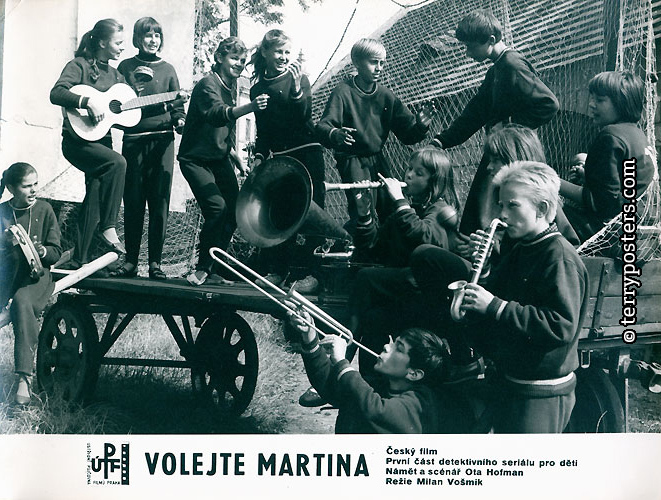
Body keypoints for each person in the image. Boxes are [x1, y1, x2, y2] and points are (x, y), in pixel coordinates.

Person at [414, 161, 589, 433]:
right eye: (501, 205)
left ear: (542, 209)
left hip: (540, 392)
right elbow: (500, 294)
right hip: (513, 382)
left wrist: (495, 306)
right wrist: (483, 273)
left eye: (512, 206)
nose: (502, 214)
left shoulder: (558, 256)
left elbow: (560, 325)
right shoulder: (523, 247)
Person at [298, 147, 459, 406]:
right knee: (373, 317)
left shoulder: (441, 210)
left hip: (428, 295)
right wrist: (364, 214)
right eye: (409, 169)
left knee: (366, 278)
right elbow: (374, 248)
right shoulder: (407, 209)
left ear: (435, 181)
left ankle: (339, 362)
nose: (409, 175)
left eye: (419, 173)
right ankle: (365, 386)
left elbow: (425, 238)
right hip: (403, 295)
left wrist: (400, 202)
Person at [431, 10, 559, 237]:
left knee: (499, 212)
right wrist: (442, 140)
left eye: (471, 47)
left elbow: (548, 104)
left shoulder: (512, 65)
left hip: (514, 155)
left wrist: (509, 125)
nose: (468, 53)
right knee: (479, 211)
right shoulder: (496, 70)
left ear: (491, 40)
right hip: (499, 152)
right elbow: (475, 113)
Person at [178, 36, 269, 286]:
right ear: (219, 58)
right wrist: (251, 107)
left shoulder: (230, 87)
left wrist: (235, 156)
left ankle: (213, 269)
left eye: (242, 60)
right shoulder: (207, 84)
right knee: (217, 209)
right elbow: (217, 115)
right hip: (195, 159)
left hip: (219, 158)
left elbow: (223, 131)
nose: (239, 63)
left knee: (235, 211)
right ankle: (201, 269)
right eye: (234, 58)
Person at [288, 304, 463, 433]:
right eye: (393, 342)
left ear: (414, 374)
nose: (387, 346)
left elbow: (377, 410)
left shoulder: (421, 403)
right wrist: (310, 337)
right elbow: (330, 386)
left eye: (398, 348)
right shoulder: (381, 385)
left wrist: (342, 362)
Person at [316, 38, 430, 235]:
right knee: (363, 208)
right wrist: (336, 134)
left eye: (382, 63)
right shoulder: (343, 92)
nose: (379, 68)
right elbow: (323, 126)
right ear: (357, 62)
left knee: (391, 205)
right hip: (352, 159)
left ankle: (389, 250)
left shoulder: (385, 96)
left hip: (377, 159)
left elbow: (407, 134)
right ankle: (359, 248)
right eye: (373, 62)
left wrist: (420, 126)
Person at [248, 29, 326, 293]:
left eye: (287, 52)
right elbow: (264, 132)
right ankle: (278, 272)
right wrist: (259, 156)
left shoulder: (299, 79)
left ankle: (311, 274)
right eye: (279, 52)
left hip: (307, 154)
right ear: (265, 52)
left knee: (312, 214)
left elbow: (304, 117)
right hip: (282, 159)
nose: (284, 57)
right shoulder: (257, 89)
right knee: (281, 214)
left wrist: (296, 90)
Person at [50, 19, 127, 269]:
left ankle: (80, 259)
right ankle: (108, 226)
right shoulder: (79, 65)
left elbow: (127, 112)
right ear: (102, 42)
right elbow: (56, 93)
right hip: (77, 142)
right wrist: (87, 102)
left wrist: (167, 104)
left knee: (96, 189)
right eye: (118, 42)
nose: (123, 47)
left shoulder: (117, 76)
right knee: (118, 163)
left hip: (102, 141)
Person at [113, 17, 187, 280]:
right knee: (133, 200)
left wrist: (179, 119)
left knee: (159, 201)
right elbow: (117, 102)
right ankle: (131, 261)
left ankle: (155, 263)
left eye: (157, 35)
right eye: (148, 35)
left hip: (163, 141)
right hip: (133, 141)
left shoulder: (168, 69)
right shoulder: (125, 67)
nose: (153, 40)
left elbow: (178, 105)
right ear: (138, 39)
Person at [560, 71, 655, 243]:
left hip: (610, 232)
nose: (591, 105)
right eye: (592, 99)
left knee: (548, 209)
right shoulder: (637, 134)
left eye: (600, 100)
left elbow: (603, 205)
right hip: (635, 225)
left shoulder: (610, 136)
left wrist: (553, 182)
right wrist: (587, 176)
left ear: (622, 103)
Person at [0, 163, 62, 405]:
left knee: (22, 303)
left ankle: (24, 378)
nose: (34, 189)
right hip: (7, 277)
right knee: (12, 255)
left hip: (36, 277)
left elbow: (56, 252)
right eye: (27, 186)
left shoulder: (44, 209)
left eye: (35, 184)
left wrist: (42, 251)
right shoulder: (2, 211)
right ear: (12, 188)